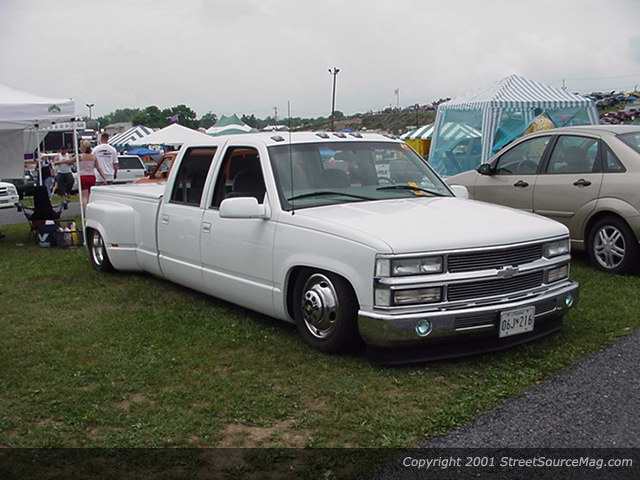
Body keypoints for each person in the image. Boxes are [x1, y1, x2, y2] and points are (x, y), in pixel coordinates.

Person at [78, 140, 106, 212]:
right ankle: (90, 211)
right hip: (92, 176)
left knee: (84, 196)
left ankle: (85, 212)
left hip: (83, 176)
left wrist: (58, 162)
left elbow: (69, 161)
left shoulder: (80, 156)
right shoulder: (93, 157)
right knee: (90, 196)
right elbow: (98, 168)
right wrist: (104, 177)